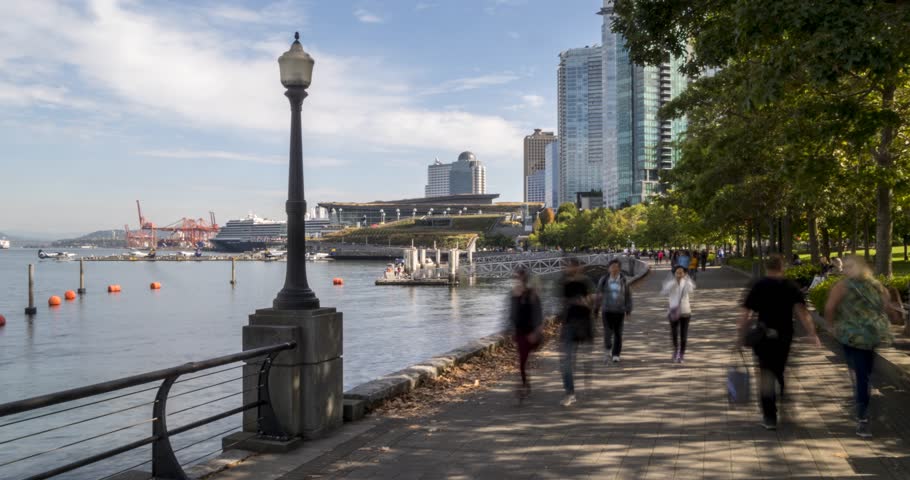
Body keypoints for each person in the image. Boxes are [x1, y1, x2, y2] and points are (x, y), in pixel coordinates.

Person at [738, 254, 821, 430]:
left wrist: (740, 336)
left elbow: (746, 314)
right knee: (780, 370)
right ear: (782, 267)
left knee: (765, 374)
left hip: (763, 335)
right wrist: (812, 333)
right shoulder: (791, 286)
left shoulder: (758, 285)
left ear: (766, 267)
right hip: (785, 335)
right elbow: (802, 312)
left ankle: (770, 416)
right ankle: (784, 400)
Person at [823, 256, 898, 438]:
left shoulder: (843, 286)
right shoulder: (877, 285)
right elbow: (888, 308)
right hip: (873, 336)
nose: (845, 270)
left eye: (849, 266)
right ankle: (867, 401)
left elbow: (830, 307)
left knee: (860, 376)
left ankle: (863, 417)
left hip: (852, 337)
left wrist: (831, 327)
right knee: (865, 373)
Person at [559, 257, 594, 406]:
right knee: (566, 361)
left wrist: (586, 302)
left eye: (569, 266)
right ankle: (570, 392)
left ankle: (587, 380)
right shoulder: (563, 282)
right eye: (566, 266)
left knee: (585, 358)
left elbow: (594, 299)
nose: (567, 269)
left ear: (577, 267)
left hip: (584, 323)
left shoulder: (586, 282)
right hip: (568, 325)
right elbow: (561, 302)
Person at [508, 266, 544, 400]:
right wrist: (509, 329)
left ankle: (523, 386)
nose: (516, 280)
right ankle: (524, 385)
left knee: (523, 361)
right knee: (522, 361)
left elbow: (538, 314)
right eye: (515, 277)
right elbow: (511, 315)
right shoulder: (513, 294)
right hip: (519, 332)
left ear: (523, 279)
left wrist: (536, 331)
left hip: (530, 332)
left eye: (518, 277)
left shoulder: (531, 294)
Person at [596, 259, 633, 364]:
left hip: (619, 311)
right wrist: (596, 308)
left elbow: (628, 295)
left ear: (620, 268)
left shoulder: (624, 280)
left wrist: (628, 309)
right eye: (612, 267)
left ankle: (616, 354)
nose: (614, 269)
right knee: (607, 333)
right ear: (608, 268)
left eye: (616, 267)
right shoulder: (603, 280)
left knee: (618, 333)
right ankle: (608, 349)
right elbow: (598, 294)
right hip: (606, 310)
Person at [662, 265, 695, 363]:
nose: (679, 274)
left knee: (683, 335)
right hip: (673, 311)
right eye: (677, 272)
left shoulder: (687, 283)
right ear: (674, 273)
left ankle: (681, 354)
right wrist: (674, 283)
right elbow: (664, 291)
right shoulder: (671, 284)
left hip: (685, 311)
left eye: (681, 272)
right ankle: (676, 350)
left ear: (684, 273)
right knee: (674, 333)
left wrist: (686, 280)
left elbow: (691, 289)